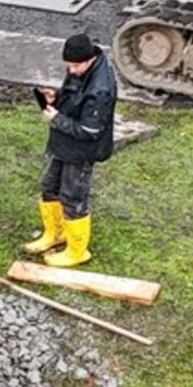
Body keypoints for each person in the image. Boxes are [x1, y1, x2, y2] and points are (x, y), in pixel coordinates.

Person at [23, 31, 118, 269]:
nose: (71, 70)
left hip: (82, 151)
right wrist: (56, 98)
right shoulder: (80, 69)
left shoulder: (101, 89)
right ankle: (55, 234)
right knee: (50, 187)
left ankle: (77, 251)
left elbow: (89, 130)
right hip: (64, 144)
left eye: (75, 66)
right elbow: (74, 99)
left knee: (73, 198)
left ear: (89, 60)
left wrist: (56, 119)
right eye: (69, 65)